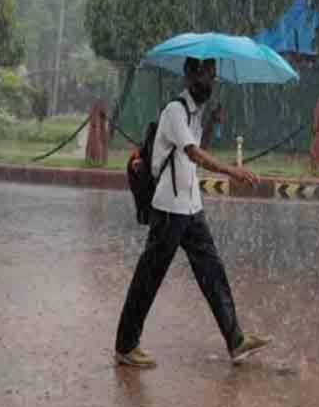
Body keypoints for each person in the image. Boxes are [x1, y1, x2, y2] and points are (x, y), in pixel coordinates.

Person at [115, 57, 270, 368]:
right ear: (189, 76)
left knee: (213, 273)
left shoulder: (195, 114)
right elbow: (192, 153)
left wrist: (212, 123)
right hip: (169, 210)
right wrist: (232, 171)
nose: (209, 82)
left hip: (191, 207)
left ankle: (236, 341)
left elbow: (199, 147)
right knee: (149, 277)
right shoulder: (175, 111)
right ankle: (126, 345)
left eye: (212, 76)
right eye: (204, 76)